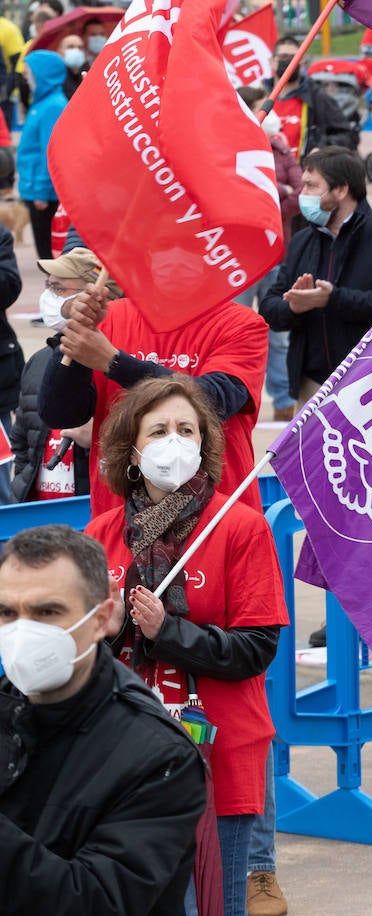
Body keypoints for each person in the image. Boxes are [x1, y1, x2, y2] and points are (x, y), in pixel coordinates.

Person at [85, 376, 288, 916]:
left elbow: (257, 648)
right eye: (159, 430)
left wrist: (165, 633)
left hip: (215, 750)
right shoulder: (100, 534)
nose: (174, 441)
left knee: (212, 903)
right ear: (132, 449)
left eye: (186, 429)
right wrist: (105, 635)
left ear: (204, 444)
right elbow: (78, 659)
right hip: (123, 759)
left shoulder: (240, 527)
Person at [0, 524, 206, 916]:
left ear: (102, 617)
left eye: (47, 612)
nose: (22, 632)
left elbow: (99, 900)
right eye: (7, 612)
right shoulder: (8, 703)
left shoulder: (161, 759)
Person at [39, 256, 269, 519]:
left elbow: (214, 400)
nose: (171, 262)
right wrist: (73, 343)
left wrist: (113, 362)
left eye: (183, 253)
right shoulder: (110, 316)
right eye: (162, 250)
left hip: (217, 515)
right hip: (121, 515)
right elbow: (58, 413)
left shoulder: (242, 324)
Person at [259, 146, 372, 423]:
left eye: (311, 186)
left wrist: (333, 299)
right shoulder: (302, 241)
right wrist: (294, 306)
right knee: (316, 468)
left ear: (341, 190)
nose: (302, 194)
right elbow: (270, 308)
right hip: (314, 387)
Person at [234, 85, 303, 426]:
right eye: (265, 106)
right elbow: (239, 190)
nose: (273, 114)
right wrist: (277, 192)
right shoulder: (230, 145)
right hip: (240, 257)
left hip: (277, 252)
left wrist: (275, 196)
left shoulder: (279, 146)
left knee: (278, 334)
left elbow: (299, 192)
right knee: (236, 331)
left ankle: (283, 398)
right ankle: (237, 392)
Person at [11, 248, 100, 503]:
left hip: (88, 516)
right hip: (39, 515)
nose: (48, 298)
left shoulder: (113, 364)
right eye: (48, 287)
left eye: (59, 289)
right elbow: (22, 442)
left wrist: (98, 440)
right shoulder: (40, 360)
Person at [268, 36, 358, 159]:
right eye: (283, 57)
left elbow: (347, 136)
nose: (289, 62)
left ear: (303, 63)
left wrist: (321, 149)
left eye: (294, 57)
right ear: (272, 62)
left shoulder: (318, 98)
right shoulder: (258, 98)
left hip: (304, 174)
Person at [16, 49, 64, 260]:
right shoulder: (41, 102)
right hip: (34, 185)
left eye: (29, 73)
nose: (26, 78)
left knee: (47, 251)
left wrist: (42, 191)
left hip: (42, 190)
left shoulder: (53, 105)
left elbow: (50, 151)